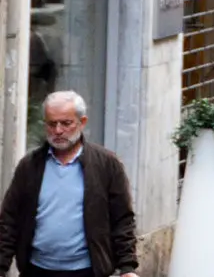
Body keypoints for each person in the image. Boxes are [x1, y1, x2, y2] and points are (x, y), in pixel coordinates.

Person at [0, 90, 139, 277]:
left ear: (82, 122)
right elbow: (9, 219)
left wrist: (127, 267)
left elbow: (122, 218)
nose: (58, 131)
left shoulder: (106, 164)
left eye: (66, 123)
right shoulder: (30, 166)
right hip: (37, 269)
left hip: (88, 270)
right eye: (52, 124)